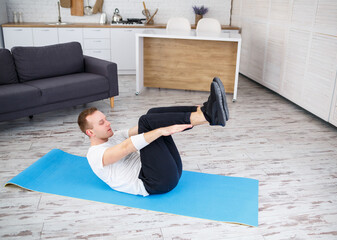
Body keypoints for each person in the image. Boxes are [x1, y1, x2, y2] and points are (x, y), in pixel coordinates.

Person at [77, 77, 229, 196]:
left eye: (106, 119)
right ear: (90, 132)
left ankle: (204, 110)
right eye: (102, 122)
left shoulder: (114, 136)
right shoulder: (95, 155)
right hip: (154, 183)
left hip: (171, 171)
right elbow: (127, 146)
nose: (108, 123)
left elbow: (139, 129)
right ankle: (210, 116)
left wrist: (161, 124)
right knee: (147, 121)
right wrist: (161, 130)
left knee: (151, 115)